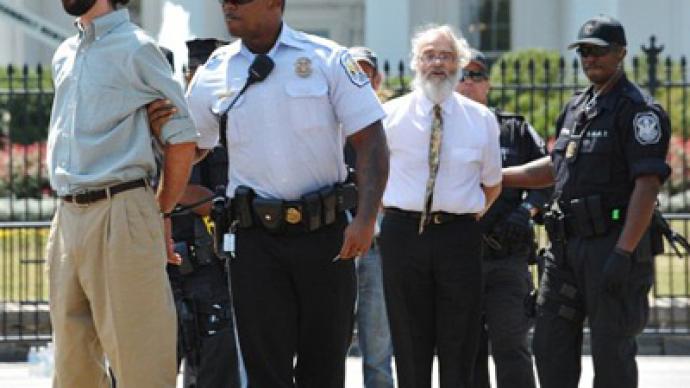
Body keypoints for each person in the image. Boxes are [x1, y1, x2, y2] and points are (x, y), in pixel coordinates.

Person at [185, 0, 389, 386]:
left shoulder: (327, 58)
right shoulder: (216, 69)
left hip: (325, 237)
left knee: (324, 370)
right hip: (254, 241)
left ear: (274, 3)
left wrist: (365, 219)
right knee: (265, 373)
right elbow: (191, 145)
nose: (227, 5)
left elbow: (372, 141)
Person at [502, 15, 671, 388]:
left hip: (611, 244)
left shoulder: (638, 111)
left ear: (621, 53)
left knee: (612, 357)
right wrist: (499, 177)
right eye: (583, 52)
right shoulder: (576, 108)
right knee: (550, 349)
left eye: (598, 51)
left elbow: (646, 186)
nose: (590, 59)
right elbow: (556, 166)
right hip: (565, 249)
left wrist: (623, 254)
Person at [46, 0, 198, 387]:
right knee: (72, 367)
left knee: (141, 364)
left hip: (121, 208)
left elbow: (181, 140)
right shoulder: (66, 52)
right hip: (66, 216)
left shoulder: (137, 48)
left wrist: (160, 212)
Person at [379, 25, 502, 388]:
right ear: (416, 62)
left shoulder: (481, 120)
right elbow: (375, 176)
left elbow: (492, 184)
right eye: (430, 55)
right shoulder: (390, 116)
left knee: (460, 340)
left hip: (458, 236)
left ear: (460, 64)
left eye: (446, 56)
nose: (437, 62)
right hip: (403, 234)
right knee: (409, 340)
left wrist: (463, 215)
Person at [149, 38, 241, 388]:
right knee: (146, 368)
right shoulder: (149, 128)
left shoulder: (226, 128)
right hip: (160, 265)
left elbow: (219, 198)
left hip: (209, 267)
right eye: (191, 74)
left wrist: (166, 192)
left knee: (214, 372)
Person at [456, 49, 543, 388]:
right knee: (466, 350)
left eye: (476, 74)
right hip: (458, 257)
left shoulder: (514, 129)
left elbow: (551, 176)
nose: (467, 81)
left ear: (488, 84)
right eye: (461, 74)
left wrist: (526, 211)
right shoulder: (438, 132)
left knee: (511, 346)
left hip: (506, 259)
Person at [346, 46, 394, 388]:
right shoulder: (327, 120)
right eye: (353, 72)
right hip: (334, 242)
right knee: (326, 344)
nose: (360, 78)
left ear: (377, 79)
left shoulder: (393, 121)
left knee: (378, 350)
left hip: (378, 245)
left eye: (366, 72)